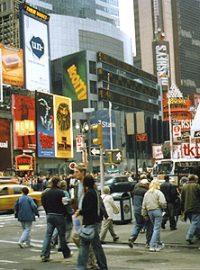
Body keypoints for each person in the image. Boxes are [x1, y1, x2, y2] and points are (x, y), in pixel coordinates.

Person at [75, 174, 108, 270]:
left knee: (91, 246)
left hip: (90, 223)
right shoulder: (94, 193)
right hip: (93, 222)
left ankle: (82, 266)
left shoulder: (89, 194)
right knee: (91, 246)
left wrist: (80, 212)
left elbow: (88, 209)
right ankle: (102, 265)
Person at [72, 163, 98, 270]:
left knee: (84, 239)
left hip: (87, 215)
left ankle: (90, 262)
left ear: (83, 172)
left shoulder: (89, 185)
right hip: (79, 214)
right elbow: (76, 198)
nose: (74, 174)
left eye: (76, 172)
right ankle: (91, 261)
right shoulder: (76, 185)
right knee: (77, 237)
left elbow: (96, 200)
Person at [40, 176, 72, 262]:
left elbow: (43, 204)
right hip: (59, 215)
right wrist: (69, 213)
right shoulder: (61, 193)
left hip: (49, 215)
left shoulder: (45, 193)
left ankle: (44, 254)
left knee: (48, 235)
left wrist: (47, 212)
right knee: (62, 235)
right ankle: (66, 253)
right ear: (58, 183)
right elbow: (66, 204)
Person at [142, 179, 167, 252]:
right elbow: (163, 202)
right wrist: (163, 207)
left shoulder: (147, 193)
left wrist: (144, 213)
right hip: (157, 211)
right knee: (156, 229)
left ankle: (158, 243)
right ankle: (152, 245)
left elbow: (144, 205)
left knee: (155, 228)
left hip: (150, 212)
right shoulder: (158, 192)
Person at [128, 179, 152, 248]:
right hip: (144, 211)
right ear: (146, 184)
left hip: (136, 210)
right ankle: (148, 242)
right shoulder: (146, 192)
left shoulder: (134, 191)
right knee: (149, 226)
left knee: (138, 224)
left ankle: (132, 237)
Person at [51, 180, 74, 249]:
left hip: (56, 212)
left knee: (58, 229)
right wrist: (71, 211)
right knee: (67, 228)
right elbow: (66, 203)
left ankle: (53, 241)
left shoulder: (55, 192)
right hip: (65, 213)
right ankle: (63, 243)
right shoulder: (64, 193)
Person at [181, 174, 200, 244]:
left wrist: (182, 208)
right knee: (195, 222)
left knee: (194, 222)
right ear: (195, 179)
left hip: (187, 207)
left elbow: (182, 198)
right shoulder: (197, 186)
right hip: (196, 207)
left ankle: (198, 235)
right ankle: (189, 236)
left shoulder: (184, 186)